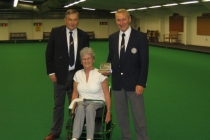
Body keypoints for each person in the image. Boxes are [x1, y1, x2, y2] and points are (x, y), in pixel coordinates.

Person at [44, 9, 89, 140]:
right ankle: (55, 131)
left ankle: (72, 130)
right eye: (70, 19)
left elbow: (86, 58)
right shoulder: (55, 32)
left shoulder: (84, 36)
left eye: (75, 19)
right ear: (65, 20)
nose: (72, 22)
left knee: (75, 105)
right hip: (59, 76)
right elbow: (49, 54)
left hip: (77, 77)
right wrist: (51, 72)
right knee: (58, 105)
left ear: (78, 20)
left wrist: (86, 74)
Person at [106, 9, 149, 140]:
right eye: (118, 20)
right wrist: (104, 72)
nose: (121, 22)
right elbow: (111, 58)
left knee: (138, 115)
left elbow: (144, 62)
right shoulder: (112, 37)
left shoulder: (140, 37)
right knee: (121, 115)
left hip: (135, 84)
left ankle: (142, 137)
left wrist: (141, 83)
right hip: (118, 84)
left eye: (123, 19)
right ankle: (126, 137)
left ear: (129, 19)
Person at [70, 47, 111, 140]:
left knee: (90, 108)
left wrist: (108, 111)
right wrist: (72, 108)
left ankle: (89, 138)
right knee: (79, 108)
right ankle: (75, 137)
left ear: (93, 60)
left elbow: (107, 94)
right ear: (81, 61)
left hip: (97, 101)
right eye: (84, 59)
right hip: (82, 100)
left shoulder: (101, 74)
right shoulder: (77, 74)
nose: (86, 61)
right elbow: (75, 94)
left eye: (89, 58)